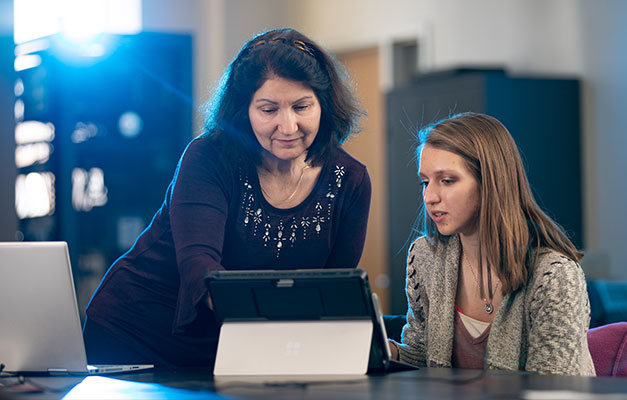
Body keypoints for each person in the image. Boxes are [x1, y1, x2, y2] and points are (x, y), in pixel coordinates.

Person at [84, 28, 372, 367]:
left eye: (301, 106)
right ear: (243, 111)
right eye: (268, 110)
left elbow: (333, 293)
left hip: (236, 346)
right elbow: (201, 272)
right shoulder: (209, 157)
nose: (288, 125)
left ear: (323, 105)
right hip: (135, 331)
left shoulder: (350, 181)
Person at [387, 112, 595, 376]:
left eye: (447, 181)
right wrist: (385, 350)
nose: (429, 197)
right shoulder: (425, 256)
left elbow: (553, 388)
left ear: (491, 182)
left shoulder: (554, 275)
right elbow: (420, 353)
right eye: (425, 182)